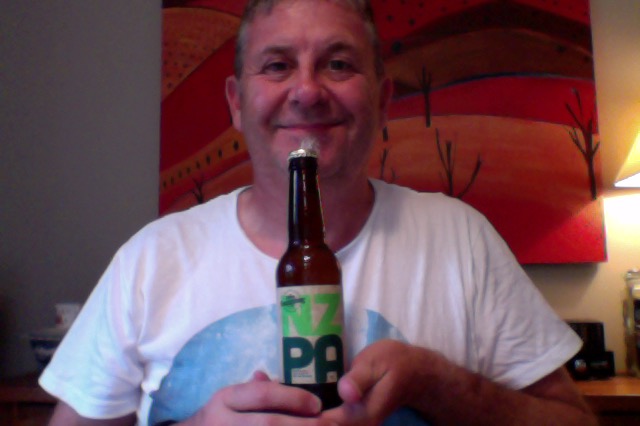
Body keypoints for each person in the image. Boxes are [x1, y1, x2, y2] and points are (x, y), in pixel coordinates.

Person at [40, 0, 597, 425]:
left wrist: (438, 383)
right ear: (236, 103)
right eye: (277, 66)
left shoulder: (462, 240)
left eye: (337, 64)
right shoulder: (150, 258)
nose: (306, 91)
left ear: (382, 99)